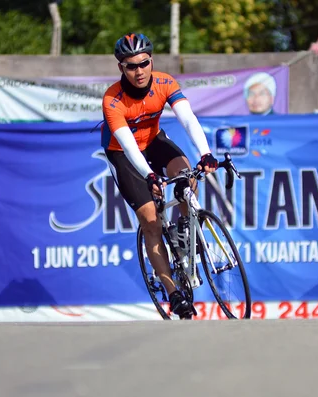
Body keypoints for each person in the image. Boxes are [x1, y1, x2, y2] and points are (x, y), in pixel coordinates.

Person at [101, 32, 219, 319]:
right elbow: (129, 146)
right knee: (151, 222)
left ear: (151, 61)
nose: (139, 71)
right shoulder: (112, 99)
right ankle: (173, 293)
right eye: (131, 66)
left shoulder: (165, 82)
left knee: (187, 175)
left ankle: (183, 229)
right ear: (121, 68)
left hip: (154, 140)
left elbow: (188, 119)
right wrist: (150, 176)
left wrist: (205, 153)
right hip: (123, 152)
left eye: (143, 63)